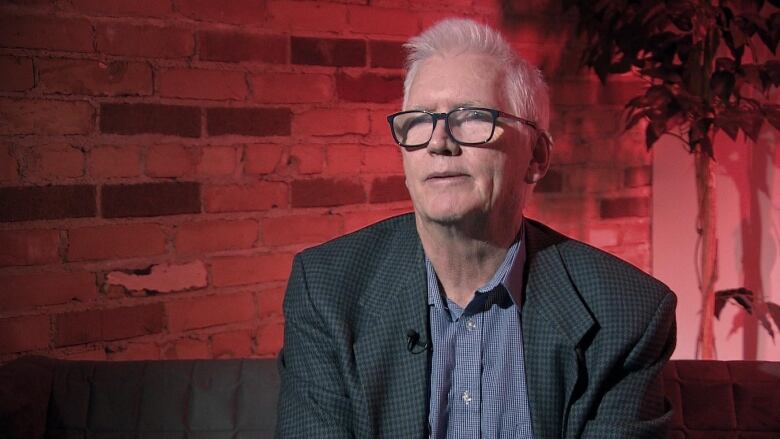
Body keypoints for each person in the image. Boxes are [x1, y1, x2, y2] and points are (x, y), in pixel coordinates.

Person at [276, 18, 676, 439]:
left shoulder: (627, 314)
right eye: (419, 119)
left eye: (471, 117)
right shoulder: (325, 290)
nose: (438, 142)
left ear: (536, 156)